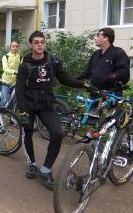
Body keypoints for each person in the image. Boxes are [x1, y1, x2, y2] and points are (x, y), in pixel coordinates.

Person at [15, 31, 91, 190]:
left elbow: (65, 79)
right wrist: (22, 112)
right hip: (28, 105)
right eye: (36, 42)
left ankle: (46, 169)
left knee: (57, 133)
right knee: (27, 133)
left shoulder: (53, 61)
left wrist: (84, 85)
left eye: (42, 42)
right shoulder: (25, 65)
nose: (40, 45)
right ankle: (32, 163)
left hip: (46, 104)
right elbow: (19, 90)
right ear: (30, 45)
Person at [77, 27, 130, 93]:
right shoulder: (95, 54)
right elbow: (87, 72)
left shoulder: (118, 53)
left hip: (111, 94)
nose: (95, 38)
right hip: (95, 93)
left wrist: (110, 78)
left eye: (98, 36)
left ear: (106, 38)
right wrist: (71, 79)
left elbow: (123, 72)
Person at [0, 41, 21, 107]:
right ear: (10, 47)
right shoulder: (6, 57)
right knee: (5, 100)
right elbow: (5, 69)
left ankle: (10, 116)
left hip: (15, 83)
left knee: (13, 102)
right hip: (5, 82)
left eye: (16, 46)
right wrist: (15, 72)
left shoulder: (20, 57)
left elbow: (22, 68)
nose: (15, 48)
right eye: (13, 46)